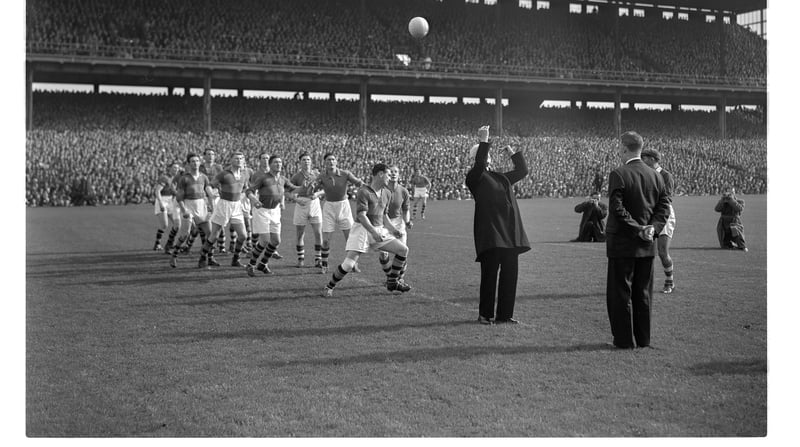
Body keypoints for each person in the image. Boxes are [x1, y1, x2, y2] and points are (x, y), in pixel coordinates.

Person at [605, 131, 671, 349]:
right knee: (643, 293)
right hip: (647, 243)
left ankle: (624, 340)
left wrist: (637, 229)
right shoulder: (657, 175)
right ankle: (643, 339)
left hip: (623, 243)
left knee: (620, 293)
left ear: (625, 148)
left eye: (619, 147)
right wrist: (652, 228)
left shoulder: (619, 173)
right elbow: (664, 207)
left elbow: (616, 208)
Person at [465, 125, 530, 325]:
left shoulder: (500, 177)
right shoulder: (474, 178)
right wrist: (484, 140)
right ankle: (485, 314)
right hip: (491, 233)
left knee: (510, 276)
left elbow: (522, 170)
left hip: (509, 233)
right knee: (490, 276)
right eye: (485, 155)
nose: (488, 158)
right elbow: (479, 165)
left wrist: (512, 153)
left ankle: (504, 315)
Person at [321, 163, 411, 297]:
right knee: (349, 264)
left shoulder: (387, 192)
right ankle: (329, 286)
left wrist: (393, 229)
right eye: (387, 174)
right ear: (380, 174)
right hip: (362, 230)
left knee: (403, 250)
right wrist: (374, 232)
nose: (390, 177)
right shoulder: (364, 191)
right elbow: (361, 216)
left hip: (378, 229)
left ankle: (392, 282)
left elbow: (384, 215)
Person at [244, 155, 301, 276]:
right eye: (275, 162)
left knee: (276, 241)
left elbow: (295, 189)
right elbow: (249, 190)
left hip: (275, 211)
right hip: (262, 211)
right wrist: (254, 199)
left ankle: (263, 264)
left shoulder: (283, 179)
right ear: (270, 165)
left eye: (280, 162)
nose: (278, 164)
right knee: (265, 241)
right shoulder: (263, 178)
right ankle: (251, 264)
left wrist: (307, 186)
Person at [197, 151, 249, 269]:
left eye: (241, 158)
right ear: (231, 160)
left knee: (243, 235)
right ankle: (203, 257)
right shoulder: (224, 174)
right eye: (236, 158)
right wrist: (210, 194)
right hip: (224, 205)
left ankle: (236, 259)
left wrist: (244, 197)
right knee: (214, 234)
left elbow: (245, 188)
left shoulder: (245, 174)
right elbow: (210, 185)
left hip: (236, 206)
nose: (239, 160)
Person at [317, 153, 364, 274]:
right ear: (325, 162)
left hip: (344, 206)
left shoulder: (345, 173)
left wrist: (366, 189)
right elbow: (313, 187)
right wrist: (311, 189)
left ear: (336, 162)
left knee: (350, 238)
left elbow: (359, 183)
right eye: (328, 160)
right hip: (329, 207)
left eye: (333, 159)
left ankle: (354, 264)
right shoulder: (322, 176)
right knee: (326, 240)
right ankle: (324, 265)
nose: (331, 162)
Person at [641, 148, 677, 294]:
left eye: (644, 157)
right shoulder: (644, 174)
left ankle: (670, 281)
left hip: (664, 215)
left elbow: (667, 198)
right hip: (648, 213)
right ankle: (643, 284)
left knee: (662, 252)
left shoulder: (666, 176)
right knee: (645, 252)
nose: (642, 160)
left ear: (652, 159)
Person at [169, 153, 212, 268]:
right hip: (189, 206)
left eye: (197, 161)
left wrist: (211, 206)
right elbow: (179, 197)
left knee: (211, 234)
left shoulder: (204, 177)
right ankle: (174, 255)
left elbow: (209, 193)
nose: (195, 163)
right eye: (192, 161)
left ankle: (203, 258)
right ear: (188, 164)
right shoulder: (185, 178)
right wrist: (184, 210)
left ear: (200, 162)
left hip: (201, 205)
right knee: (185, 235)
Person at [289, 152, 325, 269]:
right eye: (304, 160)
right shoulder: (296, 176)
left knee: (318, 233)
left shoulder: (317, 174)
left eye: (308, 160)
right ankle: (301, 259)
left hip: (314, 203)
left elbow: (326, 188)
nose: (306, 162)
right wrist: (297, 200)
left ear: (311, 161)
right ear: (300, 162)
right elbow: (289, 192)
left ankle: (318, 259)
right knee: (300, 234)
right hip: (302, 204)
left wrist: (318, 194)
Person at [379, 164, 413, 283]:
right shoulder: (381, 190)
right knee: (383, 255)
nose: (393, 174)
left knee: (403, 251)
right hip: (384, 223)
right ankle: (390, 276)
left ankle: (400, 278)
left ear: (399, 175)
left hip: (399, 223)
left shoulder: (403, 191)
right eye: (391, 172)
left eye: (395, 172)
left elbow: (405, 209)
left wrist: (407, 221)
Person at [152, 162, 181, 252]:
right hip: (163, 200)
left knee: (177, 224)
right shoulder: (165, 178)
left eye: (177, 168)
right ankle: (157, 244)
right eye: (174, 167)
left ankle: (170, 243)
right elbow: (157, 191)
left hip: (170, 201)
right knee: (165, 225)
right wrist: (160, 203)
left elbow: (174, 191)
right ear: (169, 168)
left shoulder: (176, 179)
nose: (176, 169)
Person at [715, 186, 747, 252]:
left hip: (734, 221)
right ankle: (727, 244)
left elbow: (739, 208)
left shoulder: (740, 201)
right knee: (723, 237)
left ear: (734, 193)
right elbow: (717, 209)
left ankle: (741, 246)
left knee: (737, 233)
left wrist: (731, 200)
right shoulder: (723, 202)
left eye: (731, 192)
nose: (729, 195)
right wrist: (722, 200)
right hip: (724, 221)